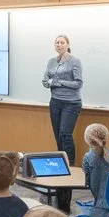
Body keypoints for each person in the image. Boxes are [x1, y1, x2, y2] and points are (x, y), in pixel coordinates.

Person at [41, 35, 84, 165]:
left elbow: (78, 83)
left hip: (71, 103)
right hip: (55, 102)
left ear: (68, 45)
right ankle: (61, 163)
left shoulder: (75, 61)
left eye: (62, 42)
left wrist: (58, 82)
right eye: (57, 43)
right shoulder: (51, 61)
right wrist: (49, 83)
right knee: (58, 136)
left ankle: (70, 165)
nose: (59, 45)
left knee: (65, 134)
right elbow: (45, 80)